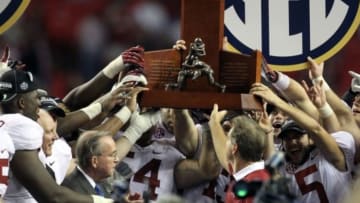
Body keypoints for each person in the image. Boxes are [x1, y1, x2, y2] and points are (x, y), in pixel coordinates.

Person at [0, 69, 111, 202]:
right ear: (22, 103)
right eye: (35, 98)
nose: (39, 103)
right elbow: (53, 196)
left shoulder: (7, 127)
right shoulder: (22, 127)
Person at [251, 82, 355, 203]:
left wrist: (277, 100)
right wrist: (268, 132)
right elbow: (272, 171)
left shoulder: (327, 156)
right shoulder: (285, 165)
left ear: (311, 138)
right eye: (287, 138)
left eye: (297, 136)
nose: (292, 142)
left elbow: (317, 130)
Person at [208, 104, 270, 203]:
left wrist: (214, 122)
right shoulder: (251, 176)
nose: (225, 143)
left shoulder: (256, 185)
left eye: (228, 139)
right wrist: (214, 123)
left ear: (234, 148)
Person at [62, 131, 119, 198]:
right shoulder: (74, 192)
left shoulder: (98, 182)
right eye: (113, 155)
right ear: (94, 161)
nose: (117, 159)